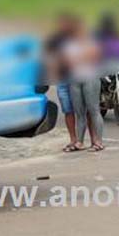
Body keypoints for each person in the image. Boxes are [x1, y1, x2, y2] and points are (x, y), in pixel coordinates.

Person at [64, 20, 105, 151]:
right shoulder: (70, 45)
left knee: (94, 110)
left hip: (90, 78)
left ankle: (98, 141)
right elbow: (68, 62)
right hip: (75, 79)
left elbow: (94, 57)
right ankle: (79, 141)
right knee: (79, 112)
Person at [44, 14, 80, 151]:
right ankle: (73, 139)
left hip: (78, 78)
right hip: (62, 79)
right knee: (68, 109)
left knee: (84, 110)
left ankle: (88, 139)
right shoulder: (53, 39)